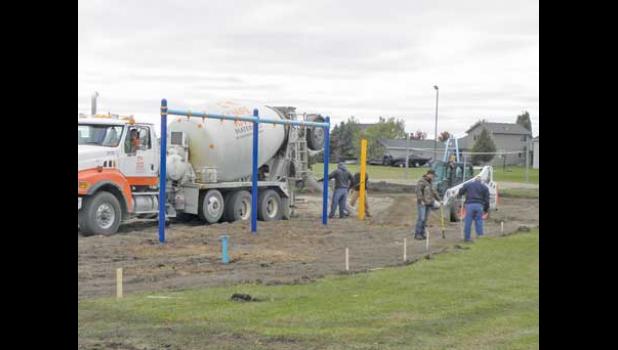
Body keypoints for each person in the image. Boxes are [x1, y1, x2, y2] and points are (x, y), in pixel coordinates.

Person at [457, 176, 490, 243]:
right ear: (481, 181)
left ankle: (467, 238)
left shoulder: (468, 184)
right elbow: (487, 200)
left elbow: (460, 192)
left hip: (469, 205)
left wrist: (460, 194)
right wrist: (486, 209)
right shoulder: (485, 187)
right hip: (479, 205)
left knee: (468, 221)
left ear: (474, 180)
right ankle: (480, 236)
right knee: (479, 220)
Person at [414, 169, 441, 240]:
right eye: (433, 176)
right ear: (429, 174)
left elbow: (434, 192)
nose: (434, 177)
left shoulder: (431, 183)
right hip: (422, 203)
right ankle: (417, 234)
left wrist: (439, 200)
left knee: (425, 219)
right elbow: (418, 191)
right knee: (421, 218)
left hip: (429, 203)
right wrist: (421, 200)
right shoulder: (422, 181)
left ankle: (422, 234)